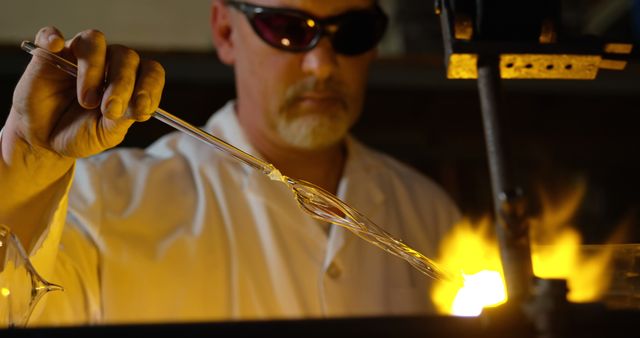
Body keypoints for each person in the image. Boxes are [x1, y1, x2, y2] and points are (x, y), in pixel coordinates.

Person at [0, 0, 460, 326]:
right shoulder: (105, 202)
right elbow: (15, 310)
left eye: (354, 32)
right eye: (288, 28)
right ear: (225, 30)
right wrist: (27, 161)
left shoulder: (429, 212)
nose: (321, 64)